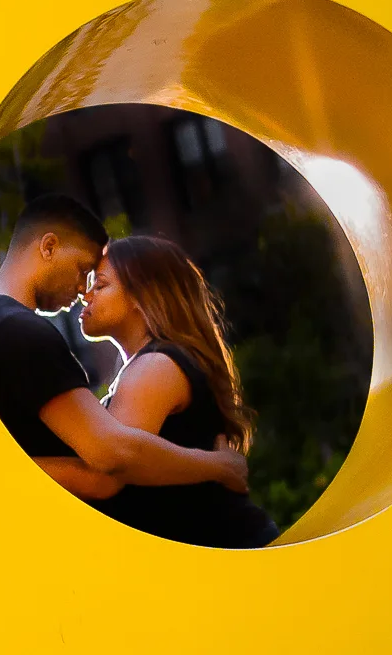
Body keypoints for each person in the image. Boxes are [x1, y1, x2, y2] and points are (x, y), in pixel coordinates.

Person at [0, 195, 248, 502]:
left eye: (98, 284)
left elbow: (106, 464)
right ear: (49, 247)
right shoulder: (18, 330)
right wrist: (219, 466)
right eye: (83, 270)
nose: (83, 292)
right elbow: (109, 463)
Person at [69, 235, 281, 549]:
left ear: (141, 296)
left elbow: (106, 474)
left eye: (100, 285)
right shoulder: (158, 362)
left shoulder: (156, 367)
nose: (85, 296)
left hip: (228, 555)